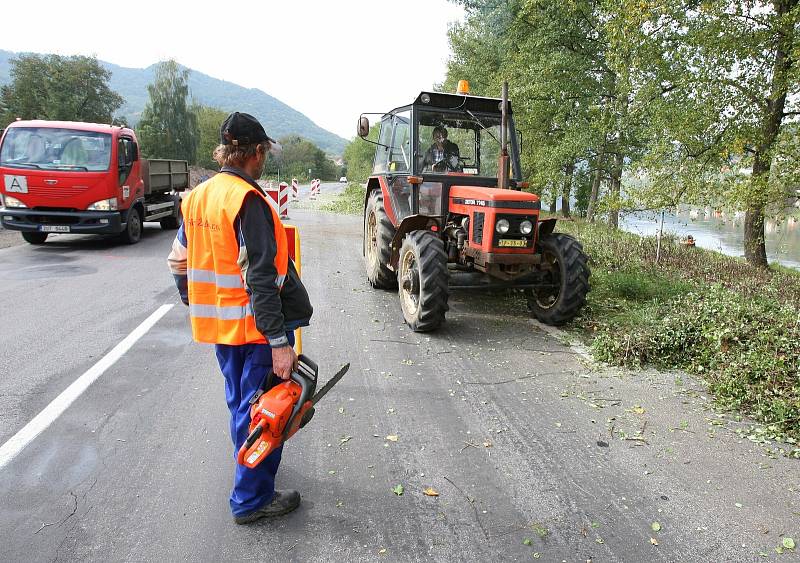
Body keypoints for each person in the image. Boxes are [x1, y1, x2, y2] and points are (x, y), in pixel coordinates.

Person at [167, 112, 313, 524]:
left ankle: (250, 474)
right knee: (268, 414)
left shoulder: (198, 197)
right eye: (265, 151)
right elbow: (261, 279)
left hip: (220, 329)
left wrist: (195, 300)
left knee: (242, 407)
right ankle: (251, 499)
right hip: (255, 331)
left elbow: (177, 261)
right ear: (257, 152)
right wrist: (279, 343)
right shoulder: (248, 201)